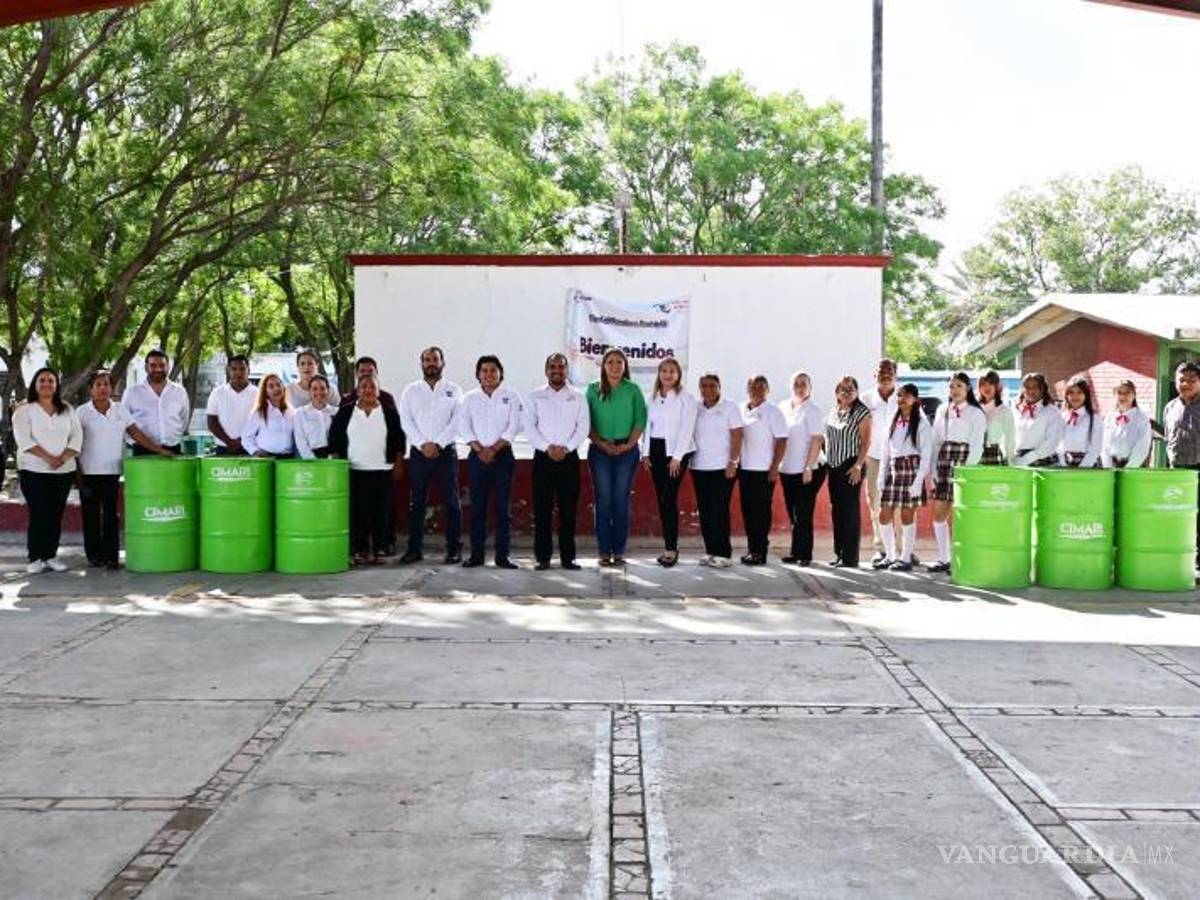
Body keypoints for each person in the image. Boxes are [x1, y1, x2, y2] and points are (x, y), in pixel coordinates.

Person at [77, 370, 170, 569]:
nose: (103, 388)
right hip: (87, 474)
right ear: (91, 389)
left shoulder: (120, 410)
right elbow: (73, 444)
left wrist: (159, 450)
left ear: (112, 388)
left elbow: (136, 434)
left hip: (112, 472)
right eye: (98, 385)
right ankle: (94, 556)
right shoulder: (81, 413)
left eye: (106, 384)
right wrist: (77, 477)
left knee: (111, 516)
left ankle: (111, 557)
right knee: (90, 517)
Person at [328, 373, 406, 565]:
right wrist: (338, 466)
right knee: (357, 513)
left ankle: (380, 549)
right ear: (357, 390)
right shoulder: (346, 412)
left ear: (378, 390)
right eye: (363, 386)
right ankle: (359, 550)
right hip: (354, 470)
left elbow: (399, 440)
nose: (368, 390)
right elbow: (335, 439)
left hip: (383, 469)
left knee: (382, 512)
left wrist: (398, 464)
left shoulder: (389, 412)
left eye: (372, 386)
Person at [13, 368, 82, 574]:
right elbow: (23, 439)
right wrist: (49, 458)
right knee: (39, 513)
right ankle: (35, 557)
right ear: (35, 384)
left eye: (51, 380)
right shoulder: (24, 410)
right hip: (33, 471)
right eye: (42, 380)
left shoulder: (67, 409)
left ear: (56, 385)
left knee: (55, 514)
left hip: (64, 471)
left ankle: (50, 556)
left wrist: (63, 457)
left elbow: (77, 436)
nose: (46, 384)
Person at [525, 353, 590, 571]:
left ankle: (568, 558)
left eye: (561, 367)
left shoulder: (578, 397)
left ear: (567, 370)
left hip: (569, 459)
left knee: (568, 511)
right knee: (542, 511)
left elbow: (583, 427)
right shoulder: (535, 396)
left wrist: (566, 448)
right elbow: (529, 427)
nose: (557, 370)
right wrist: (547, 448)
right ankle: (543, 557)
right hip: (543, 458)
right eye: (552, 367)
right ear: (546, 371)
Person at [398, 347, 463, 564]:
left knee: (452, 502)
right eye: (427, 360)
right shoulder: (411, 391)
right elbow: (406, 421)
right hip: (419, 454)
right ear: (421, 364)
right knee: (417, 503)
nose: (431, 363)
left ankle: (453, 549)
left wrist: (438, 444)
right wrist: (422, 444)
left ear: (443, 363)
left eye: (435, 359)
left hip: (446, 454)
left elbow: (457, 421)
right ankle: (414, 550)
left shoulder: (454, 390)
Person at [460, 355, 521, 569]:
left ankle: (502, 556)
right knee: (478, 508)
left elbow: (514, 426)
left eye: (493, 370)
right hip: (477, 457)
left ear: (500, 373)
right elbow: (464, 426)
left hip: (502, 457)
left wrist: (493, 449)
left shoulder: (511, 396)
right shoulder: (469, 398)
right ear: (478, 374)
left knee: (503, 509)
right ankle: (476, 555)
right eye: (484, 370)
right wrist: (480, 449)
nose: (489, 374)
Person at [586, 348, 647, 567]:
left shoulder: (633, 390)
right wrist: (602, 443)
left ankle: (619, 550)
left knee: (621, 500)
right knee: (603, 500)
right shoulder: (593, 389)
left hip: (627, 452)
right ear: (603, 366)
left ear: (625, 366)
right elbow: (586, 422)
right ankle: (604, 551)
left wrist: (628, 445)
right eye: (610, 362)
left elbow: (640, 420)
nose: (614, 366)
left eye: (619, 362)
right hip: (600, 450)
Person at [927, 373, 986, 574]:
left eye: (959, 386)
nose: (954, 390)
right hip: (944, 463)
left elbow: (977, 446)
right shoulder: (943, 410)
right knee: (939, 514)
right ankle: (944, 559)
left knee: (962, 516)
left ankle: (963, 561)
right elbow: (936, 442)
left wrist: (965, 472)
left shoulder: (976, 413)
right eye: (951, 386)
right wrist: (934, 470)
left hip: (965, 464)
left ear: (968, 388)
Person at [643, 358, 698, 567]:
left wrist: (677, 457)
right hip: (656, 451)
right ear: (659, 374)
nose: (668, 375)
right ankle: (669, 545)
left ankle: (671, 548)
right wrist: (645, 453)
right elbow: (648, 426)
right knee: (662, 499)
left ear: (678, 374)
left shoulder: (686, 398)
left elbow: (687, 428)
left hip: (677, 452)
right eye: (664, 371)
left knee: (668, 497)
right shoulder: (652, 397)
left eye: (672, 371)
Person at [876, 383, 933, 571]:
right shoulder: (893, 419)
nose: (902, 399)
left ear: (915, 399)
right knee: (884, 514)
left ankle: (906, 558)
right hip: (894, 470)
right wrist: (881, 474)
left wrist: (918, 481)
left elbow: (926, 454)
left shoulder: (922, 423)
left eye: (906, 396)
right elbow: (885, 449)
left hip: (911, 470)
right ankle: (890, 556)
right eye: (900, 395)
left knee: (907, 515)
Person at [690, 373, 744, 567]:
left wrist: (733, 462)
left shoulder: (730, 407)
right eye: (704, 386)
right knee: (705, 511)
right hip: (699, 467)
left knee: (719, 510)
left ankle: (724, 554)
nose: (708, 389)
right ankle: (711, 551)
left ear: (719, 387)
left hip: (723, 468)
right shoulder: (695, 408)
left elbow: (738, 436)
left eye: (712, 385)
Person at [738, 374, 788, 566]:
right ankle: (752, 549)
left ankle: (760, 551)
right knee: (748, 511)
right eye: (753, 386)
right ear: (747, 389)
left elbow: (782, 440)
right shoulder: (741, 409)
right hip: (744, 469)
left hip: (764, 470)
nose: (756, 390)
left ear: (767, 390)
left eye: (761, 387)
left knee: (760, 513)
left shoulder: (773, 411)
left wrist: (775, 467)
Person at [778, 370, 827, 567]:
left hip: (809, 469)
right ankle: (795, 551)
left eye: (803, 383)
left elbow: (817, 439)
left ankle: (804, 554)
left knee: (803, 513)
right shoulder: (783, 406)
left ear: (810, 388)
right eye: (796, 383)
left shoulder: (813, 409)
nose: (799, 387)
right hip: (787, 469)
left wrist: (808, 467)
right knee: (793, 513)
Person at [824, 376, 873, 569]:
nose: (846, 392)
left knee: (850, 511)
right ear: (837, 392)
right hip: (834, 466)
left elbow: (866, 442)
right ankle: (840, 553)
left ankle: (850, 557)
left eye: (851, 388)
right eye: (843, 389)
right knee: (837, 510)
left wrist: (858, 466)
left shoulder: (862, 412)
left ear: (857, 391)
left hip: (851, 465)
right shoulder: (834, 411)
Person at [1164, 360, 1200, 572]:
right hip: (1177, 470)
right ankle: (1181, 556)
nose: (1186, 384)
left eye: (1192, 380)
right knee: (1179, 514)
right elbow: (1168, 437)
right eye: (1182, 380)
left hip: (1199, 467)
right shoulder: (1170, 407)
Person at [862, 358, 898, 565]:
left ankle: (902, 550)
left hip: (898, 458)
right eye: (881, 371)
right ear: (875, 374)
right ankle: (881, 549)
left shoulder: (904, 396)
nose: (885, 374)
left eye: (889, 370)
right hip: (873, 456)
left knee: (900, 503)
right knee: (875, 501)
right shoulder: (866, 398)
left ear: (895, 374)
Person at [123, 348, 190, 455]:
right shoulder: (132, 393)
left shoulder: (179, 392)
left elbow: (184, 420)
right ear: (146, 367)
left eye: (162, 365)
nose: (158, 369)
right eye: (153, 365)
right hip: (142, 450)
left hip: (172, 449)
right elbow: (125, 422)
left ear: (168, 367)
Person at [206, 355, 256, 456]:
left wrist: (242, 441)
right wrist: (229, 442)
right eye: (234, 369)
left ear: (249, 370)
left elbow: (262, 423)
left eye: (242, 369)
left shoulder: (258, 394)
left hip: (251, 448)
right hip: (223, 448)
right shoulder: (217, 393)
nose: (238, 372)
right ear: (228, 370)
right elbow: (212, 422)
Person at [1013, 373, 1063, 468]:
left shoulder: (1051, 411)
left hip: (1043, 462)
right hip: (1018, 462)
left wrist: (1027, 458)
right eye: (1027, 387)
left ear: (1042, 389)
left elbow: (1052, 442)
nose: (1031, 390)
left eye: (1035, 387)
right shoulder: (1016, 410)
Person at [241, 373, 296, 458]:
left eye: (278, 384)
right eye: (271, 386)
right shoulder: (259, 412)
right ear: (266, 391)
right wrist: (255, 451)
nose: (276, 389)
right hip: (267, 458)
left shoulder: (291, 411)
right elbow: (246, 437)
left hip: (288, 458)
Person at [1101, 380, 1152, 469]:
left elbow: (1142, 447)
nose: (1123, 396)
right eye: (1119, 392)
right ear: (1114, 395)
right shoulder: (1109, 418)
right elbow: (1104, 445)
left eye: (1127, 392)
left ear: (1134, 395)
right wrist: (1108, 468)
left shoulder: (1142, 418)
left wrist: (1128, 469)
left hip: (1134, 467)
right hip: (1112, 467)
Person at [1058, 375, 1102, 468]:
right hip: (1065, 466)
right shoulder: (1062, 417)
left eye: (1079, 392)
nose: (1075, 396)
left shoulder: (1094, 419)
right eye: (1071, 392)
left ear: (1086, 395)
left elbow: (1096, 447)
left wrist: (1083, 467)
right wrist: (1063, 463)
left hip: (1087, 466)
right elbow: (1058, 444)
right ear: (1066, 395)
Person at [294, 374, 337, 459]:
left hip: (334, 458)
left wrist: (332, 459)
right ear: (309, 392)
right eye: (314, 389)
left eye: (322, 388)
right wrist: (313, 461)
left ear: (328, 390)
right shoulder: (300, 413)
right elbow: (301, 442)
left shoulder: (337, 412)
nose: (319, 392)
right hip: (310, 459)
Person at [977, 370, 1015, 465]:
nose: (986, 387)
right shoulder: (974, 409)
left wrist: (1010, 462)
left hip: (993, 454)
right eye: (983, 384)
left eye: (990, 383)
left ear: (997, 386)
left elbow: (1010, 438)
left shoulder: (1004, 410)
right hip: (974, 453)